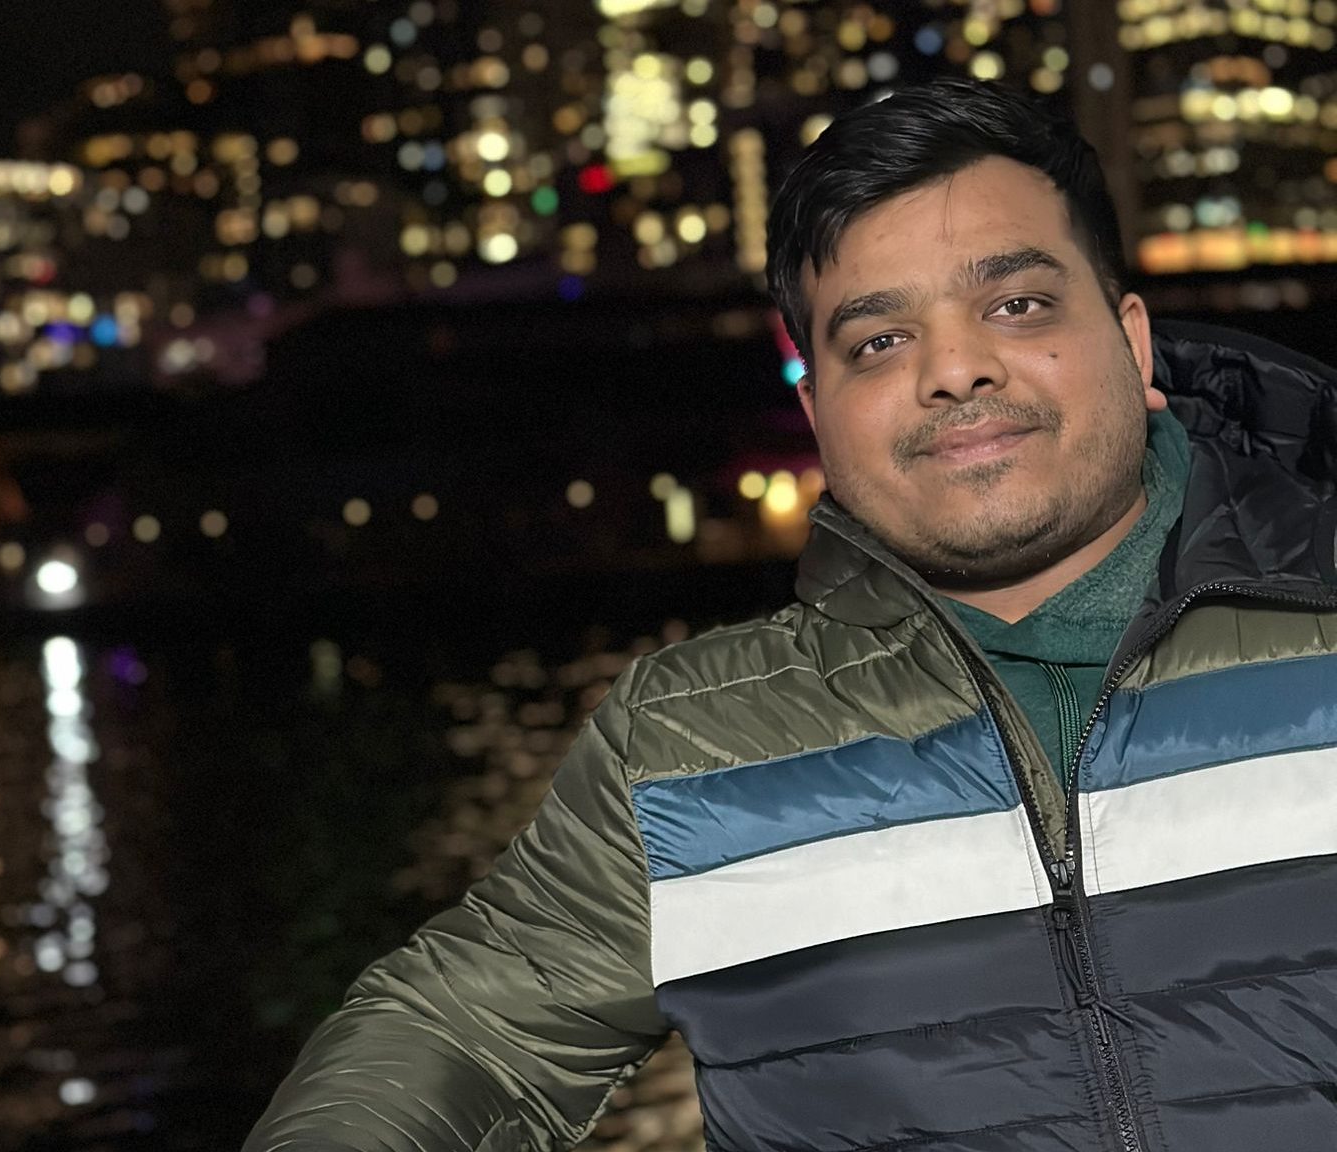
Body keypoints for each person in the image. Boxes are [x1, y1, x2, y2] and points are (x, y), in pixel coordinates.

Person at [244, 78, 1337, 1152]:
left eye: (1017, 305)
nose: (956, 368)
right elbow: (461, 1034)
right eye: (879, 341)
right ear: (817, 412)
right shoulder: (685, 748)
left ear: (1134, 343)